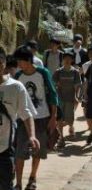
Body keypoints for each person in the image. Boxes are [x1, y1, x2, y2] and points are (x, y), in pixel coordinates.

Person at [14, 46, 58, 190]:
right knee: (19, 152)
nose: (18, 64)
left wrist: (53, 117)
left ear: (28, 60)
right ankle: (18, 183)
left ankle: (32, 178)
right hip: (22, 119)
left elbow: (52, 94)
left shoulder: (42, 73)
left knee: (37, 150)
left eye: (20, 61)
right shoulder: (18, 76)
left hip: (41, 117)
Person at [0, 47, 39, 190]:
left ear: (4, 63)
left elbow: (26, 113)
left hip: (5, 149)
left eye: (0, 62)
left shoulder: (16, 87)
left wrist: (32, 136)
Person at [53, 51, 82, 148]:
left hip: (70, 98)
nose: (67, 60)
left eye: (69, 59)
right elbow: (53, 84)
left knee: (69, 119)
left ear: (72, 60)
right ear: (63, 60)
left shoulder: (75, 72)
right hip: (60, 99)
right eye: (65, 58)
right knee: (60, 119)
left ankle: (71, 126)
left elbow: (77, 86)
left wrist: (76, 96)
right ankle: (61, 138)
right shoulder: (58, 72)